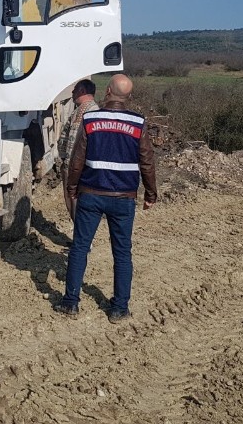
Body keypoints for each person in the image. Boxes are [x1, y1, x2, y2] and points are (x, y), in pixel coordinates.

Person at [56, 74, 157, 323]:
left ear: (109, 91)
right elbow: (147, 161)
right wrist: (151, 193)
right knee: (122, 252)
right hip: (124, 198)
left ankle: (70, 302)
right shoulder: (137, 122)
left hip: (90, 194)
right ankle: (119, 308)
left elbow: (78, 159)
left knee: (79, 247)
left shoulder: (91, 119)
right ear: (128, 96)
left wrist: (71, 188)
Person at [56, 79, 99, 218]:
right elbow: (65, 136)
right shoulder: (78, 111)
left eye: (75, 91)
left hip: (82, 170)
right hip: (72, 167)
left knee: (80, 205)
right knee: (72, 203)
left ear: (82, 91)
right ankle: (78, 237)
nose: (73, 93)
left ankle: (82, 238)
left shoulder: (93, 113)